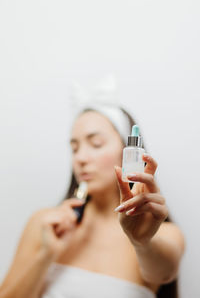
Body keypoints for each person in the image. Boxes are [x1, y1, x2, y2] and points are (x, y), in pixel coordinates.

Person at [0, 103, 185, 298]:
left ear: (129, 152)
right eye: (74, 148)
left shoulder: (163, 234)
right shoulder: (47, 225)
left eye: (96, 144)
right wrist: (45, 256)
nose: (80, 158)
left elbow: (163, 272)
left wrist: (142, 242)